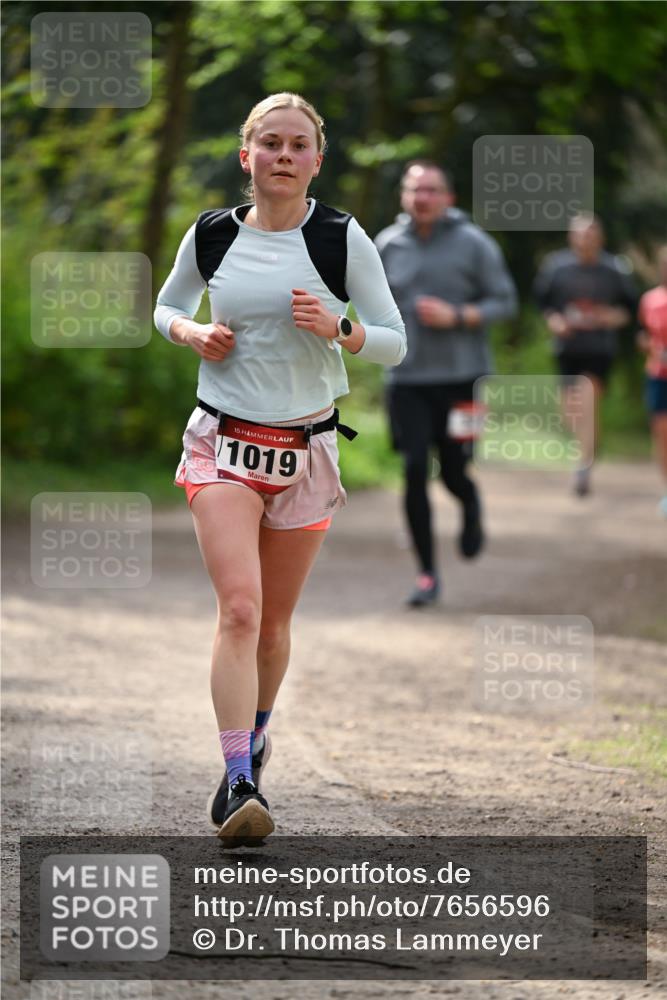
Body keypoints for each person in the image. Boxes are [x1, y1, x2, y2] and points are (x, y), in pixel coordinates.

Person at [153, 93, 406, 844]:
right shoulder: (211, 235)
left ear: (315, 160)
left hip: (306, 447)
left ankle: (256, 737)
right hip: (221, 440)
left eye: (298, 145)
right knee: (239, 609)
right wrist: (192, 330)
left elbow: (392, 339)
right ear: (247, 156)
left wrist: (343, 328)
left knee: (273, 626)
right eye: (270, 143)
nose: (284, 156)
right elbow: (164, 308)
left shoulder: (339, 237)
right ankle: (236, 781)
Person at [375, 160, 517, 607]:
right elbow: (369, 302)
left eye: (432, 190)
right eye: (414, 190)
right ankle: (427, 575)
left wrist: (458, 315)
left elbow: (505, 301)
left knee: (454, 469)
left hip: (462, 378)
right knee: (415, 468)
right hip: (406, 377)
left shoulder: (474, 243)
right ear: (404, 196)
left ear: (448, 197)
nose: (422, 198)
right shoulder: (386, 244)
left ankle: (470, 507)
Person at [534, 213, 638, 496]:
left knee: (588, 399)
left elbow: (628, 311)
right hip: (567, 349)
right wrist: (554, 321)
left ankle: (583, 466)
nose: (585, 239)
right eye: (580, 234)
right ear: (571, 236)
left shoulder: (614, 269)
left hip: (599, 349)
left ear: (600, 238)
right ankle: (587, 446)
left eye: (591, 234)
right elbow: (543, 305)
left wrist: (610, 317)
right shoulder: (556, 268)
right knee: (570, 412)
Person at [636, 245, 667, 516]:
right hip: (658, 374)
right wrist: (648, 346)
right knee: (661, 432)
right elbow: (642, 334)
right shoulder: (650, 300)